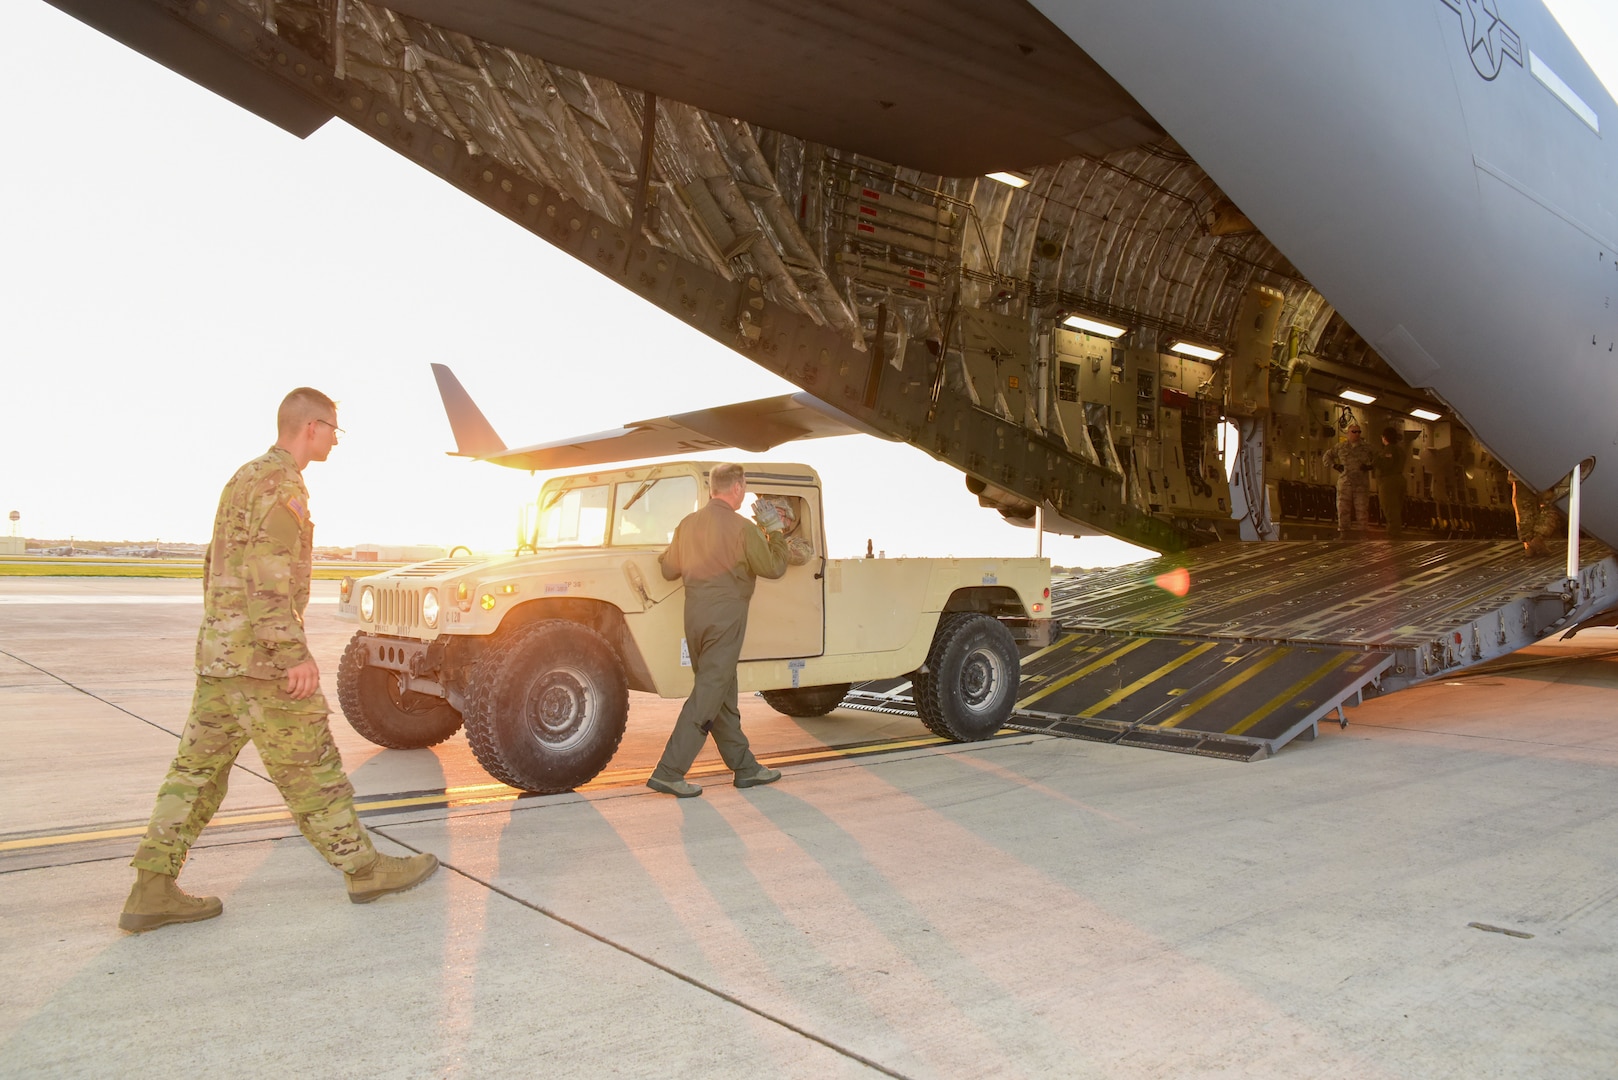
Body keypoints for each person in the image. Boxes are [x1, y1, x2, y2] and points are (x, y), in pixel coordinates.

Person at [119, 388, 438, 933]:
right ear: (311, 427)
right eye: (335, 429)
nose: (338, 439)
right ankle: (364, 870)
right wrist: (290, 654)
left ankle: (151, 888)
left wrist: (226, 638)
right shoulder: (283, 485)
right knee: (315, 771)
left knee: (195, 774)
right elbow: (266, 574)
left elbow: (215, 566)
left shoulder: (242, 477)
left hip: (221, 660)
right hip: (262, 666)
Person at [647, 463, 789, 797]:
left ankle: (745, 767)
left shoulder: (688, 524)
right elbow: (774, 567)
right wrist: (775, 531)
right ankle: (669, 771)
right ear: (737, 487)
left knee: (721, 693)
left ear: (712, 487)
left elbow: (668, 569)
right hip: (726, 620)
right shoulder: (744, 528)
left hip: (695, 618)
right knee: (708, 696)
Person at [1322, 422, 1375, 538]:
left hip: (1361, 484)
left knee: (1362, 509)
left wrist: (1370, 466)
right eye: (1354, 432)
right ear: (1348, 434)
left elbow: (1378, 459)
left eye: (1359, 432)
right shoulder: (1341, 447)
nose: (1357, 434)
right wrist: (1334, 465)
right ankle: (1344, 532)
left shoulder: (1367, 448)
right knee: (1343, 508)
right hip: (1345, 483)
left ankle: (1363, 533)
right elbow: (1326, 456)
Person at [1510, 472, 1559, 557]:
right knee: (1551, 504)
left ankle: (1529, 542)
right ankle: (1536, 540)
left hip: (1519, 469)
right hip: (1540, 469)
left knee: (1524, 506)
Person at [1373, 426, 1408, 540]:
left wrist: (1374, 459)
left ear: (1384, 437)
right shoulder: (1400, 450)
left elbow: (1386, 465)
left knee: (1390, 510)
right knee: (1396, 509)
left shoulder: (1389, 449)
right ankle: (1395, 533)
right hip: (1399, 480)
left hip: (1389, 482)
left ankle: (1393, 536)